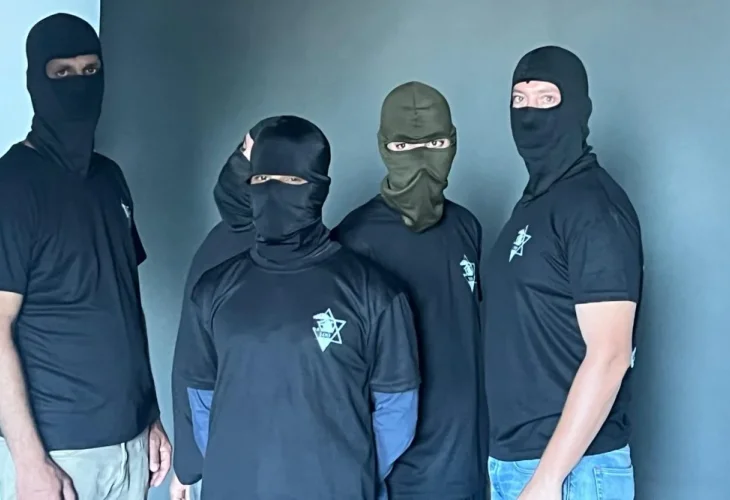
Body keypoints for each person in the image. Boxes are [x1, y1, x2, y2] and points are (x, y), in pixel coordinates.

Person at [172, 115, 422, 499]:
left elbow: (397, 409)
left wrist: (345, 471)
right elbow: (200, 399)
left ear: (317, 188)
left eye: (290, 181)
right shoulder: (212, 289)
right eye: (261, 179)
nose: (273, 191)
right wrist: (237, 465)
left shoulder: (375, 292)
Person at [0, 13, 170, 500]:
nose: (79, 84)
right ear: (36, 80)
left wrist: (150, 415)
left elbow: (123, 305)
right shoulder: (13, 186)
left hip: (130, 444)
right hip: (58, 453)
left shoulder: (110, 180)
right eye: (62, 73)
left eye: (90, 70)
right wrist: (29, 461)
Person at [483, 46, 643, 500]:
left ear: (576, 107)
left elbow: (611, 355)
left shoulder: (593, 208)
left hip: (574, 472)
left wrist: (548, 478)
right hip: (518, 463)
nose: (529, 113)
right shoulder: (534, 205)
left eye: (546, 99)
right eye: (519, 99)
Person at [333, 81, 487, 500]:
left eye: (435, 143)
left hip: (468, 464)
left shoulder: (466, 228)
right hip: (395, 472)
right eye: (403, 146)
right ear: (385, 147)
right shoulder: (352, 240)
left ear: (452, 142)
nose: (420, 160)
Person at [169, 118, 277, 500]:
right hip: (233, 458)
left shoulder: (317, 255)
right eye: (243, 150)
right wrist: (188, 465)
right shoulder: (218, 248)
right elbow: (192, 367)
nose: (243, 165)